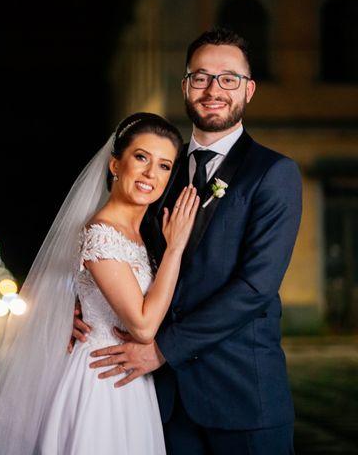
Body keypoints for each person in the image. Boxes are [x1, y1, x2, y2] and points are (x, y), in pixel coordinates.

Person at [75, 28, 302, 454]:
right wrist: (80, 304)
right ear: (185, 86)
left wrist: (163, 349)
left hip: (242, 398)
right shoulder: (160, 170)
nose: (214, 89)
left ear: (248, 90)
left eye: (228, 78)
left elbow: (256, 288)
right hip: (161, 403)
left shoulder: (274, 174)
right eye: (201, 77)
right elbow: (116, 245)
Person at [0, 112, 199, 454]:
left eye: (165, 165)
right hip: (101, 382)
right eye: (141, 157)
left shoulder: (144, 234)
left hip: (133, 382)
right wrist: (176, 248)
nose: (152, 173)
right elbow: (142, 326)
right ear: (115, 165)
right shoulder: (100, 233)